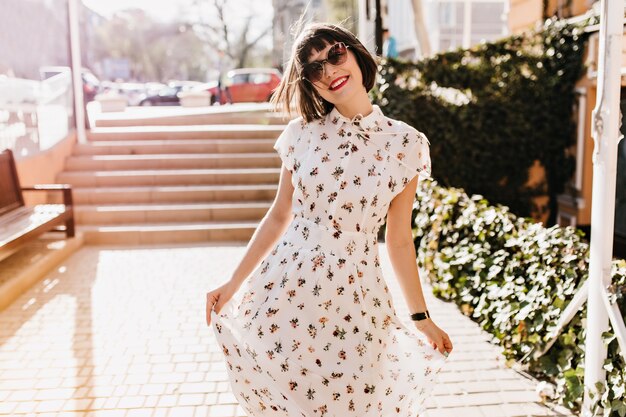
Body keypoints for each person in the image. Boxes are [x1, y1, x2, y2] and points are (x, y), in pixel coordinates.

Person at [205, 21, 453, 417]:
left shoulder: (406, 144)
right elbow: (279, 214)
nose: (330, 71)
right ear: (310, 84)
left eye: (335, 55)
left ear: (355, 53)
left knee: (353, 403)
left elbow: (400, 240)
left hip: (356, 300)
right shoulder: (300, 135)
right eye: (315, 69)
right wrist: (232, 284)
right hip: (286, 293)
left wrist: (421, 318)